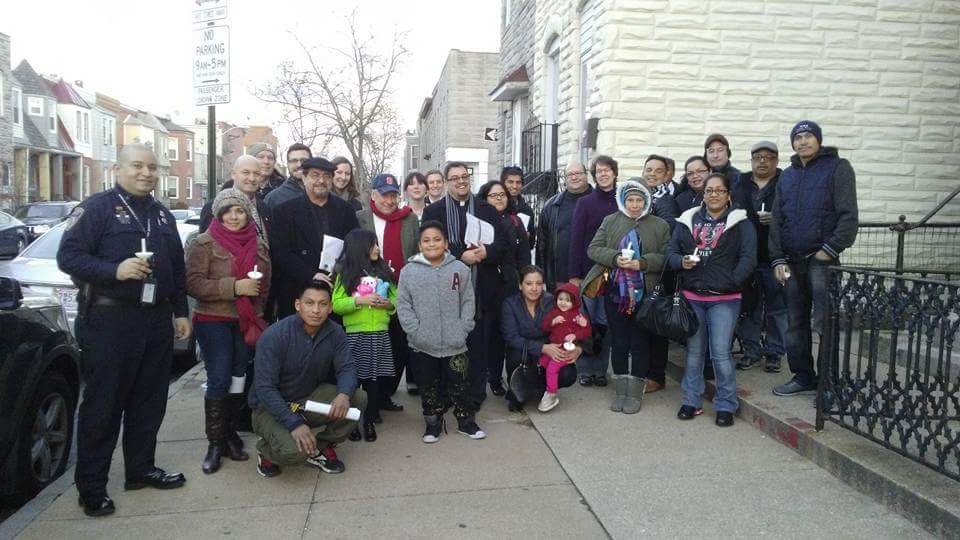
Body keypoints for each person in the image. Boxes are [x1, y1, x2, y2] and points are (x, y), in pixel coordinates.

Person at [57, 144, 190, 517]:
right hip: (110, 321)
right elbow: (68, 257)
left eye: (152, 167)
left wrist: (180, 312)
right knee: (104, 404)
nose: (146, 173)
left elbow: (176, 271)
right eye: (137, 166)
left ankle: (140, 469)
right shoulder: (97, 208)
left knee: (149, 402)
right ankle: (92, 487)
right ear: (118, 167)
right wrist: (115, 270)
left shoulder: (162, 216)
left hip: (155, 321)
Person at [770, 121, 859, 396]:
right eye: (798, 137)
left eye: (808, 136)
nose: (803, 142)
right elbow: (777, 220)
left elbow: (848, 216)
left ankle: (829, 383)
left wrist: (828, 251)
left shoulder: (838, 167)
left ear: (818, 140)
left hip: (822, 261)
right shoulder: (787, 176)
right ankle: (803, 376)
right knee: (795, 323)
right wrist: (777, 259)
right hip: (791, 262)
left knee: (825, 322)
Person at [186, 188, 270, 474]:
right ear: (218, 215)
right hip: (213, 321)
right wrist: (234, 287)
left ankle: (230, 432)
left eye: (240, 211)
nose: (234, 217)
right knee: (219, 378)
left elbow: (265, 285)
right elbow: (194, 284)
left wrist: (256, 309)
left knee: (239, 377)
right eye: (228, 211)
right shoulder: (204, 243)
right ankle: (215, 443)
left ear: (247, 213)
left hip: (245, 322)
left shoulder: (257, 244)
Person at [249, 279, 367, 478]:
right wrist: (294, 424)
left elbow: (347, 367)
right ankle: (266, 451)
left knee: (358, 399)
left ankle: (319, 447)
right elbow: (265, 388)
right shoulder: (275, 336)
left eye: (322, 304)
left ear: (330, 308)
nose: (316, 310)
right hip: (268, 407)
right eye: (309, 303)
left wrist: (344, 394)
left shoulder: (334, 332)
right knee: (295, 452)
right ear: (298, 305)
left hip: (305, 399)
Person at [666, 173, 757, 427]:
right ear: (702, 194)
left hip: (725, 299)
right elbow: (671, 253)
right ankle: (691, 400)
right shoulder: (688, 220)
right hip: (693, 296)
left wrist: (730, 281)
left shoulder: (741, 223)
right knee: (694, 352)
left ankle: (726, 404)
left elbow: (748, 259)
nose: (713, 195)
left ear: (728, 195)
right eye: (709, 191)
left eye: (719, 190)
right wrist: (680, 262)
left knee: (720, 353)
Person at [422, 162, 507, 410]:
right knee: (449, 344)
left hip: (481, 288)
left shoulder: (486, 209)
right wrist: (461, 256)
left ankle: (475, 395)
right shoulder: (434, 212)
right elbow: (431, 245)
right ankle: (448, 392)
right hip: (447, 287)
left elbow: (502, 243)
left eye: (464, 176)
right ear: (447, 182)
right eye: (455, 178)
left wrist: (485, 252)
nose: (461, 181)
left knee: (478, 345)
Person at [582, 180, 670, 414]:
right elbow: (593, 248)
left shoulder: (659, 225)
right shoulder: (611, 221)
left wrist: (642, 263)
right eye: (630, 200)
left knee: (640, 343)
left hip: (645, 294)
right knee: (619, 341)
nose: (634, 205)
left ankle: (635, 393)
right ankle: (621, 390)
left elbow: (666, 257)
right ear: (623, 200)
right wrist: (615, 258)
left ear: (647, 201)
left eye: (639, 200)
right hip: (616, 293)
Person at [396, 220, 485, 442]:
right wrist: (414, 332)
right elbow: (403, 305)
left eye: (437, 239)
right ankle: (433, 423)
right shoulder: (409, 272)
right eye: (426, 240)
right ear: (419, 245)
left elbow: (467, 301)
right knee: (428, 386)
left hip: (456, 343)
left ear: (445, 243)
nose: (432, 244)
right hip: (422, 344)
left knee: (460, 383)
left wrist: (463, 328)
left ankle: (466, 421)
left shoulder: (459, 270)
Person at [269, 157, 359, 319]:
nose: (321, 181)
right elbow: (280, 252)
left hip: (334, 289)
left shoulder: (345, 210)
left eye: (326, 176)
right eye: (315, 175)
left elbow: (354, 248)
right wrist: (310, 274)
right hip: (297, 289)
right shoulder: (284, 211)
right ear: (304, 178)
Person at [357, 173, 420, 402]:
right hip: (370, 292)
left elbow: (415, 252)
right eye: (384, 195)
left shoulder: (410, 219)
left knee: (400, 344)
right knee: (376, 345)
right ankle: (375, 395)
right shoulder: (360, 218)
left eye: (393, 195)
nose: (389, 201)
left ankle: (388, 391)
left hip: (402, 291)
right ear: (374, 195)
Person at [332, 229, 397, 443]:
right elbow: (337, 305)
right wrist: (359, 301)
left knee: (374, 379)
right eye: (372, 245)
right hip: (355, 334)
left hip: (379, 333)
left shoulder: (384, 271)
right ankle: (351, 422)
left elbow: (396, 301)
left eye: (376, 244)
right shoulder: (346, 274)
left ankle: (369, 419)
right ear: (359, 248)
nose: (377, 249)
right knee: (354, 378)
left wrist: (388, 305)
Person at [733, 141, 787, 373]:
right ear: (751, 160)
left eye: (768, 157)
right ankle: (751, 350)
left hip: (775, 255)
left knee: (777, 306)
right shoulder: (740, 182)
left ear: (776, 160)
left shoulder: (786, 181)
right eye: (758, 157)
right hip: (746, 254)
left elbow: (794, 212)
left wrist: (776, 218)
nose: (762, 161)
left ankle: (775, 352)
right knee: (749, 306)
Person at [500, 266, 581, 412]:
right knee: (516, 354)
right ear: (520, 285)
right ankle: (520, 389)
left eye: (538, 283)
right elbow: (511, 337)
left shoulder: (552, 301)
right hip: (523, 353)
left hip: (549, 352)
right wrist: (542, 348)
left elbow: (573, 324)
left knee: (568, 373)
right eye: (529, 283)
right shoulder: (510, 304)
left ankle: (543, 390)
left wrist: (578, 349)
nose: (534, 288)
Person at [568, 155, 619, 387]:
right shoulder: (585, 203)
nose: (603, 174)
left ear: (615, 173)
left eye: (607, 170)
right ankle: (585, 369)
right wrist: (574, 276)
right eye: (599, 171)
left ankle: (600, 370)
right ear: (594, 175)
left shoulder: (623, 200)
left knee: (605, 323)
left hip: (617, 274)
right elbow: (576, 241)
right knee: (585, 323)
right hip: (589, 275)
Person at [477, 180, 529, 396]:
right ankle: (492, 378)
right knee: (489, 337)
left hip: (510, 286)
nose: (499, 198)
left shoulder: (516, 222)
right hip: (485, 286)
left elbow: (524, 255)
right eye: (493, 195)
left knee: (509, 333)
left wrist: (524, 281)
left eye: (502, 195)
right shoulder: (478, 222)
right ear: (485, 198)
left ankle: (514, 381)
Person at [641, 158, 681, 394]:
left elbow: (667, 238)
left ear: (667, 175)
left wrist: (649, 259)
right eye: (649, 170)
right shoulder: (644, 196)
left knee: (656, 327)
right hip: (641, 270)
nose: (652, 174)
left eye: (658, 171)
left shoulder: (665, 201)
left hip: (658, 272)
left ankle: (656, 376)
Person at [536, 161, 593, 291]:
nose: (574, 177)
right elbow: (542, 246)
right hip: (560, 281)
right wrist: (541, 279)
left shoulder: (598, 202)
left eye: (578, 173)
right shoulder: (551, 206)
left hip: (593, 280)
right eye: (570, 174)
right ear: (565, 179)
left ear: (586, 175)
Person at [537, 283, 591, 412]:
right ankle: (542, 388)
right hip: (553, 347)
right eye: (560, 299)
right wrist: (552, 322)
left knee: (552, 368)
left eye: (568, 300)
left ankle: (551, 393)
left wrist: (576, 334)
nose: (563, 303)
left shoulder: (577, 316)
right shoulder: (554, 312)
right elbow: (544, 327)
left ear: (575, 302)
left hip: (566, 350)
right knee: (542, 363)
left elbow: (587, 331)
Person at [229, 155, 269, 245]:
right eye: (246, 172)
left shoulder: (264, 207)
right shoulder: (215, 208)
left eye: (256, 174)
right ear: (233, 174)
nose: (252, 178)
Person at [263, 143, 312, 215]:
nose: (299, 165)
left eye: (303, 160)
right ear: (288, 164)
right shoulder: (274, 199)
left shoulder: (323, 193)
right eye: (294, 161)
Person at [501, 166, 536, 246]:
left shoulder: (527, 211)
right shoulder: (495, 207)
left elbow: (532, 243)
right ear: (503, 184)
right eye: (510, 182)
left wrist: (528, 237)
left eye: (518, 182)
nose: (514, 186)